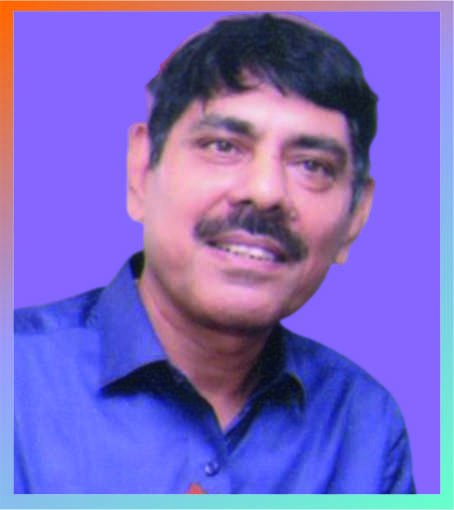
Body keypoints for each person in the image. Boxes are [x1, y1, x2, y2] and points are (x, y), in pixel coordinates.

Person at [14, 13, 416, 494]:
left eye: (312, 165)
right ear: (141, 171)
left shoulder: (366, 429)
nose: (265, 192)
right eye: (224, 146)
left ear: (356, 216)